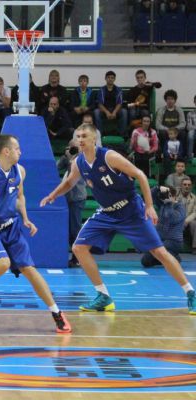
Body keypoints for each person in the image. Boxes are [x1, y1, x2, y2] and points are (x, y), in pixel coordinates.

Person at [40, 123, 195, 314]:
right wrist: (53, 195)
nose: (80, 140)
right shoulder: (78, 162)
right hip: (107, 212)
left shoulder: (109, 156)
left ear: (94, 139)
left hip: (131, 210)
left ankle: (190, 293)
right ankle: (103, 296)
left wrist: (149, 206)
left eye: (84, 136)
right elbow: (69, 182)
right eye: (77, 136)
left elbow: (140, 175)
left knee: (159, 252)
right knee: (78, 248)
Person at [0, 135, 71, 333]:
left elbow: (20, 196)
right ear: (6, 151)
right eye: (17, 148)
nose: (20, 152)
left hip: (12, 226)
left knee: (30, 269)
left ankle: (57, 313)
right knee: (3, 263)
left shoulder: (20, 171)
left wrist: (25, 218)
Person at [57, 138, 87, 268]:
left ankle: (78, 258)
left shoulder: (83, 159)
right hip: (66, 198)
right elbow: (55, 168)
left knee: (75, 229)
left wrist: (72, 159)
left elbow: (75, 174)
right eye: (72, 147)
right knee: (68, 229)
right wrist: (66, 157)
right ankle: (75, 257)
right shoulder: (67, 159)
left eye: (77, 147)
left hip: (77, 198)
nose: (75, 149)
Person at [141, 186, 185, 267]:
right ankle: (171, 258)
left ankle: (170, 257)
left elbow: (171, 219)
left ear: (174, 196)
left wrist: (168, 203)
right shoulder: (162, 204)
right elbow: (149, 197)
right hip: (161, 240)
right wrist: (158, 188)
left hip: (173, 242)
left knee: (152, 255)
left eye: (169, 195)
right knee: (145, 262)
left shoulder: (180, 207)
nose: (166, 198)